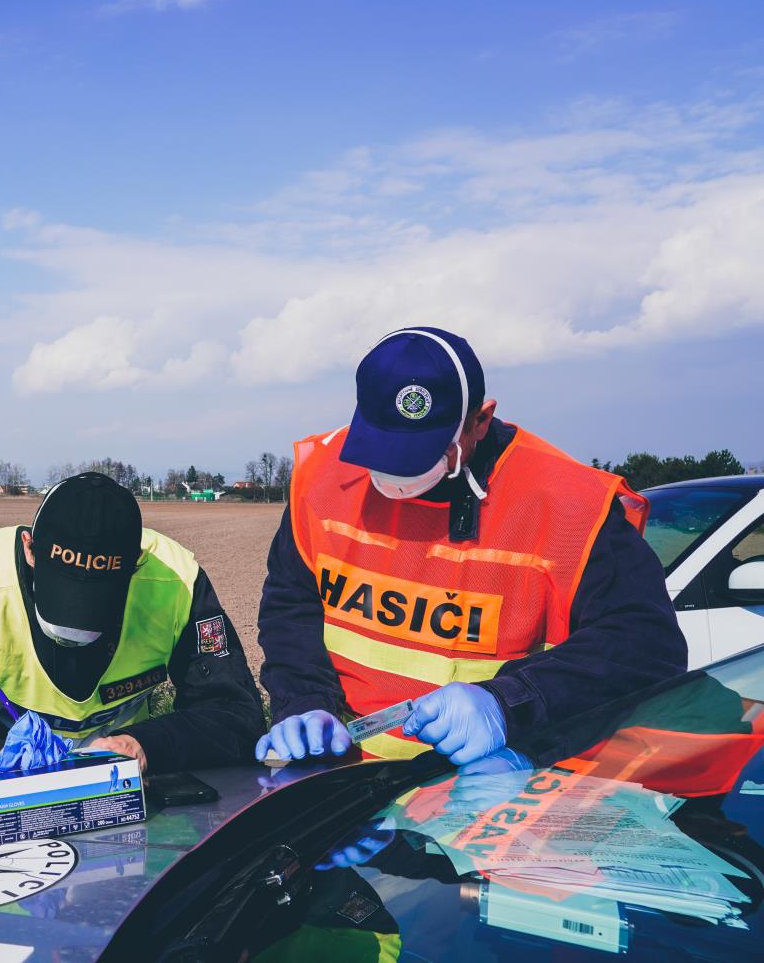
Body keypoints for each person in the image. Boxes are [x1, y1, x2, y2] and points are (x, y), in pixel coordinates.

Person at [255, 326, 686, 766]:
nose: (395, 475)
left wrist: (506, 703)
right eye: (383, 449)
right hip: (351, 782)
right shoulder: (323, 477)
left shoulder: (568, 506)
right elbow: (292, 604)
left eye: (420, 453)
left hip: (497, 793)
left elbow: (646, 646)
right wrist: (303, 701)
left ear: (480, 420)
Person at [0, 471, 265, 792]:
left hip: (131, 801)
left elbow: (238, 717)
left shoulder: (177, 582)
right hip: (2, 805)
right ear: (29, 549)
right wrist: (8, 761)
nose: (76, 624)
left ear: (136, 565)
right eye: (65, 594)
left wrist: (144, 744)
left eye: (97, 603)